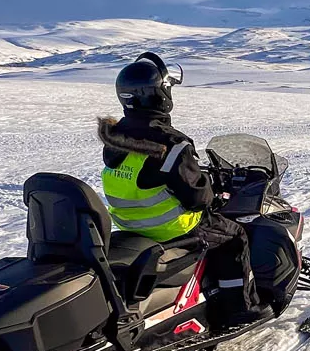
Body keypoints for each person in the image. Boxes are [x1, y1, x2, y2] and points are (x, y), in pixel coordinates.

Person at [97, 51, 260, 323]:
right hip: (173, 228)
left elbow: (148, 176)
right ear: (160, 94)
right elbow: (198, 197)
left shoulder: (115, 137)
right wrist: (213, 192)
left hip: (130, 226)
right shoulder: (170, 142)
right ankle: (239, 307)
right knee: (235, 237)